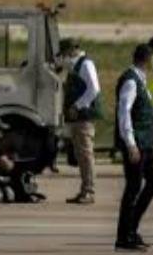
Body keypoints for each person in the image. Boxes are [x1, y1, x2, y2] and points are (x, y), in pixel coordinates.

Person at [115, 44, 153, 252]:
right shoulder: (131, 81)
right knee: (133, 189)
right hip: (137, 144)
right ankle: (124, 237)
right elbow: (124, 112)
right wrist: (131, 144)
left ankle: (131, 228)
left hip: (146, 144)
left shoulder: (140, 80)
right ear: (148, 60)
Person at [60, 38, 101, 204]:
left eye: (64, 53)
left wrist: (77, 106)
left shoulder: (85, 64)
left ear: (71, 51)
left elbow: (94, 89)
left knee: (86, 154)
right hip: (78, 116)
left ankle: (89, 191)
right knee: (81, 155)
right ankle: (85, 189)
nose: (64, 57)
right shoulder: (76, 65)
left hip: (84, 116)